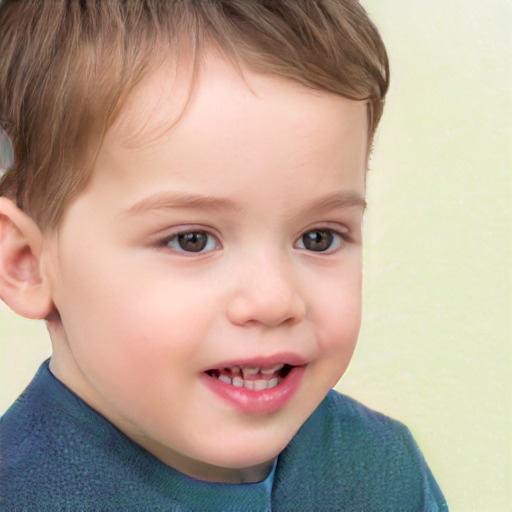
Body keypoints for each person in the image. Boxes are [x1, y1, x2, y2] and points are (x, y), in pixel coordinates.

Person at [0, 1, 448, 510]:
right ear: (27, 262)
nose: (275, 299)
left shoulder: (385, 471)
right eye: (191, 240)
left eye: (318, 237)